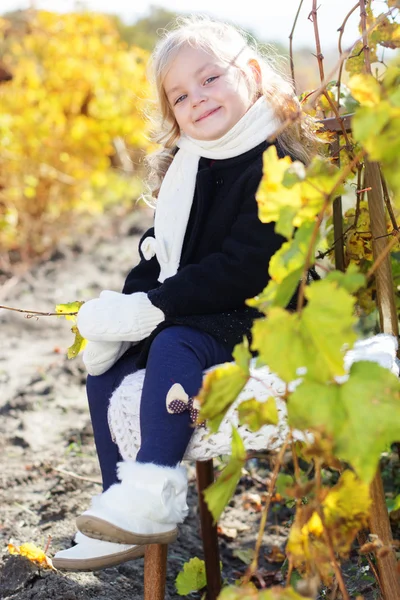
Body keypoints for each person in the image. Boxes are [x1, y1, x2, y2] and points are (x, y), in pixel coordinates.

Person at [53, 14, 318, 570]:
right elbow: (156, 258)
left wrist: (155, 307)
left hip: (267, 320)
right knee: (108, 368)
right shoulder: (188, 171)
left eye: (209, 79)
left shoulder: (277, 163)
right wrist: (126, 307)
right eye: (179, 95)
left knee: (173, 342)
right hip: (201, 314)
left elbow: (247, 267)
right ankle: (118, 508)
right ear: (172, 115)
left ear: (249, 73)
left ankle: (152, 490)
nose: (196, 98)